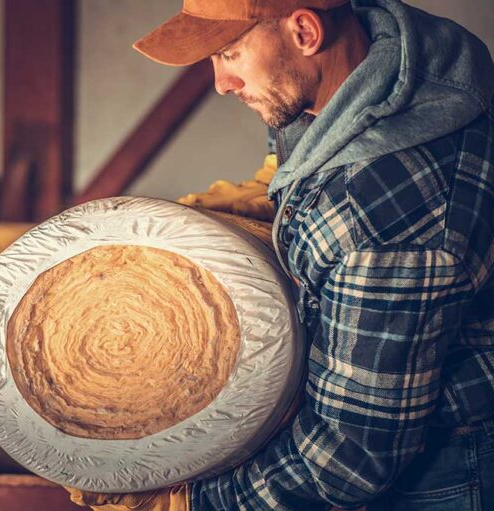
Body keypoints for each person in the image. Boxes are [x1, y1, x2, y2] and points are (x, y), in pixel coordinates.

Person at [68, 0, 494, 509]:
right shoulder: (388, 59)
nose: (221, 83)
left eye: (229, 53)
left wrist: (190, 501)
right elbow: (303, 144)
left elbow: (346, 459)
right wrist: (272, 190)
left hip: (445, 473)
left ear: (305, 31)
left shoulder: (380, 220)